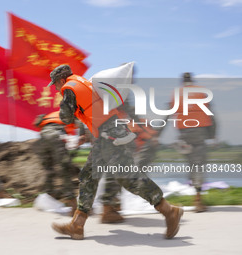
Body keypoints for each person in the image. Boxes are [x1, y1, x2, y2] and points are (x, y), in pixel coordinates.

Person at [48, 64, 183, 240]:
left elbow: (65, 117)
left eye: (55, 85)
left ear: (60, 80)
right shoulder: (82, 82)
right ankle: (77, 225)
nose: (56, 88)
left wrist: (63, 103)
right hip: (108, 134)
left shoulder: (69, 88)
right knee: (89, 176)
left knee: (128, 178)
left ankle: (169, 210)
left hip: (110, 137)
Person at [173, 72, 216, 212]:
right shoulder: (201, 92)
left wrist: (157, 134)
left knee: (191, 164)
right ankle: (198, 200)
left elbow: (168, 113)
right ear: (192, 80)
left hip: (184, 135)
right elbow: (211, 114)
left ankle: (195, 193)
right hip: (199, 133)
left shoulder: (176, 94)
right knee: (198, 165)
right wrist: (213, 135)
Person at [33, 111, 85, 216]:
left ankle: (49, 197)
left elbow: (36, 123)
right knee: (64, 169)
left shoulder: (49, 115)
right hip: (55, 136)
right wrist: (82, 136)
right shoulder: (72, 113)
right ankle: (73, 205)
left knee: (49, 170)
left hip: (42, 139)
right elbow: (80, 124)